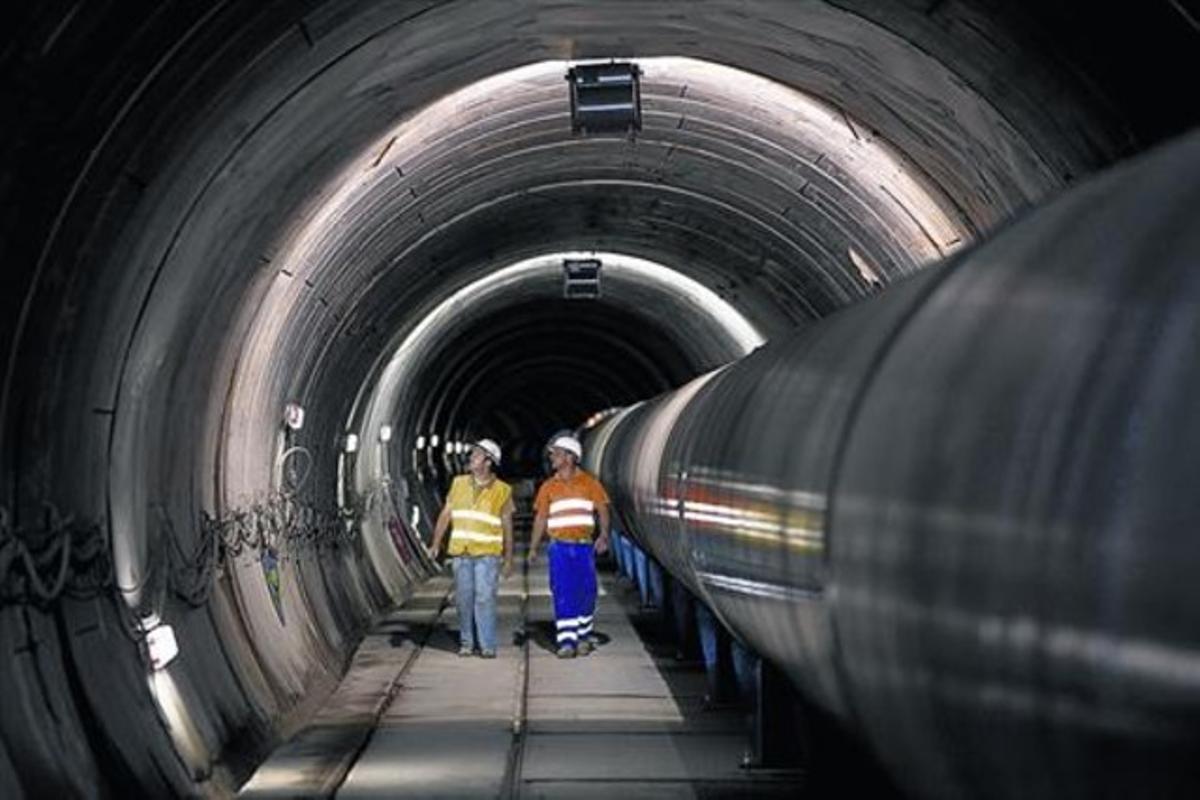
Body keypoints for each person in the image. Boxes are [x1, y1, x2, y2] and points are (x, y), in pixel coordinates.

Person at [428, 438, 514, 658]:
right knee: (464, 599)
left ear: (488, 462)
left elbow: (507, 525)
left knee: (484, 598)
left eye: (476, 455)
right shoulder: (458, 483)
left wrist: (509, 557)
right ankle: (467, 642)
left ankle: (487, 645)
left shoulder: (503, 490)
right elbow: (446, 514)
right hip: (461, 553)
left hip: (487, 555)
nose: (471, 458)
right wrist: (436, 543)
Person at [528, 434, 610, 658]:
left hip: (584, 547)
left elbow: (602, 509)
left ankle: (583, 636)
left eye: (557, 453)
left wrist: (603, 535)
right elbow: (541, 518)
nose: (552, 457)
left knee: (587, 592)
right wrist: (534, 547)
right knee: (562, 592)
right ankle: (567, 641)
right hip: (560, 548)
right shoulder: (548, 487)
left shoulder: (590, 484)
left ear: (570, 457)